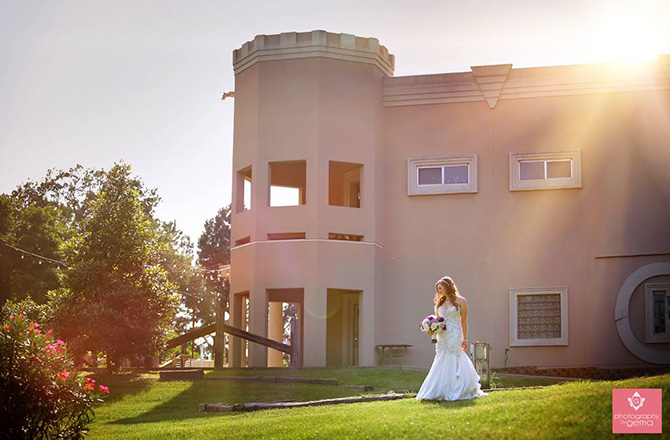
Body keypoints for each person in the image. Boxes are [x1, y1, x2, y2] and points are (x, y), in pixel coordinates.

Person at [416, 276, 488, 401]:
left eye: (440, 288)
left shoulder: (461, 301)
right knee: (441, 358)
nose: (439, 291)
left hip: (455, 334)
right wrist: (432, 329)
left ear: (447, 287)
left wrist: (465, 338)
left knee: (455, 357)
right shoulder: (440, 302)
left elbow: (464, 321)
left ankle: (457, 389)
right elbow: (439, 320)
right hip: (442, 336)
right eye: (437, 289)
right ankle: (439, 390)